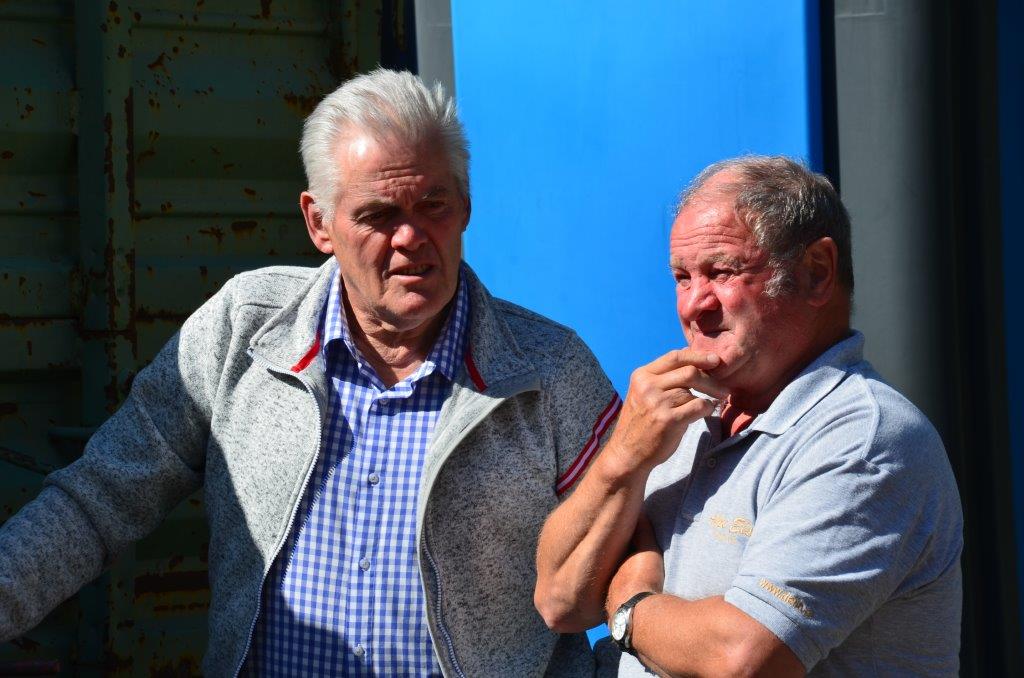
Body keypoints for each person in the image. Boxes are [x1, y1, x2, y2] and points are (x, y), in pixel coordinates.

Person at [0, 69, 620, 677]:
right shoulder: (243, 330)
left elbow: (645, 558)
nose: (410, 236)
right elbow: (101, 499)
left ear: (465, 207)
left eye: (433, 204)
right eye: (378, 215)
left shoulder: (549, 370)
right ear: (319, 223)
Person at [534, 156, 963, 677]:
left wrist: (629, 610)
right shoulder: (680, 417)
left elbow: (742, 660)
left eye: (722, 272)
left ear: (817, 272)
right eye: (682, 277)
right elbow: (559, 601)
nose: (693, 305)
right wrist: (623, 457)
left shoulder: (865, 438)